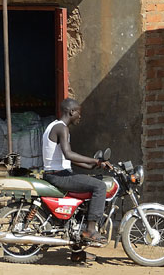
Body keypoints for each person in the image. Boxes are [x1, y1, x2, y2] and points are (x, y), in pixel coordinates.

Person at [42, 98, 112, 245]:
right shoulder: (62, 128)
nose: (80, 116)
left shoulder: (54, 126)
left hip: (57, 173)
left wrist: (92, 166)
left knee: (94, 180)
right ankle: (91, 230)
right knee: (99, 186)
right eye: (79, 113)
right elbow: (69, 154)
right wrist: (94, 161)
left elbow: (67, 158)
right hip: (58, 175)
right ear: (71, 111)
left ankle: (77, 246)